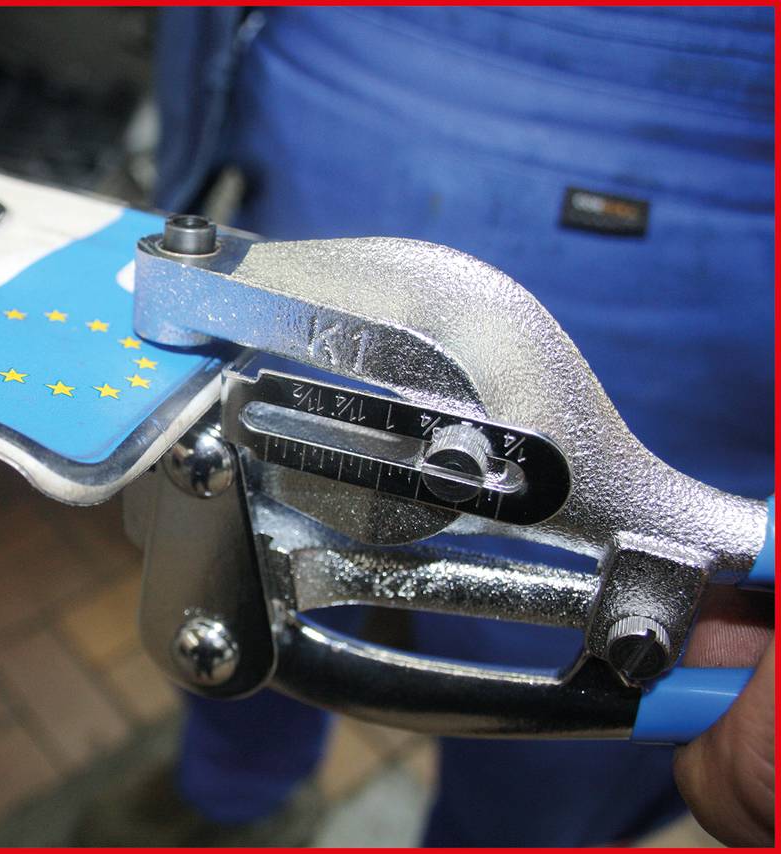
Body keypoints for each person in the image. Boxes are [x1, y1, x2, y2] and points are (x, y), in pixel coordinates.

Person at [79, 7, 773, 847]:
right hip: (342, 76)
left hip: (712, 155)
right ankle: (229, 795)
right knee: (232, 539)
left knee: (564, 742)